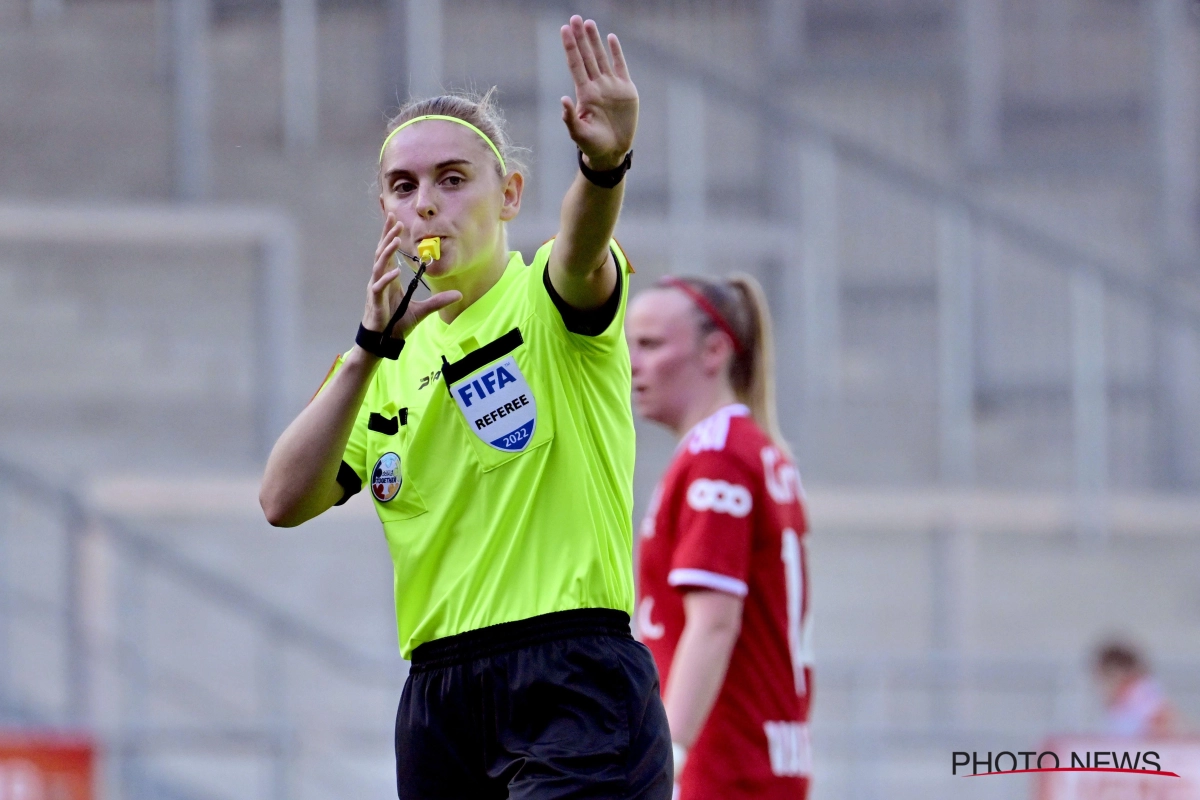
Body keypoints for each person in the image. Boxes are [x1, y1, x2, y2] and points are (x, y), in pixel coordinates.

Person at [259, 15, 672, 799]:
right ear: (383, 206)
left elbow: (583, 245)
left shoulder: (547, 299)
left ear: (509, 194)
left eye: (454, 179)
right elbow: (282, 499)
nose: (427, 205)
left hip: (572, 679)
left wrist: (605, 162)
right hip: (437, 701)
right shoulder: (381, 359)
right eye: (404, 186)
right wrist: (363, 352)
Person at [627, 274, 813, 800]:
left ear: (713, 351)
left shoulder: (717, 457)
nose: (633, 364)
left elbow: (713, 623)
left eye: (651, 344)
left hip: (724, 762)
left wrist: (668, 756)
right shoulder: (759, 450)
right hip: (773, 753)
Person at [1093, 640, 1182, 738]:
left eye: (1106, 677)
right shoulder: (1119, 701)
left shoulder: (1141, 690)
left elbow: (1161, 721)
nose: (1103, 685)